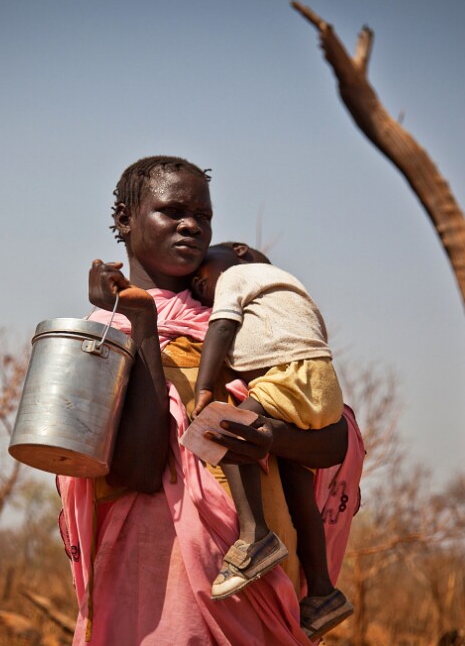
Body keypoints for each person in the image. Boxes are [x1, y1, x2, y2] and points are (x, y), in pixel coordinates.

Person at [57, 155, 364, 645]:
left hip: (261, 580)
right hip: (159, 589)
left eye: (203, 216)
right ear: (124, 220)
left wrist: (269, 436)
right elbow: (137, 470)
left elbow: (330, 441)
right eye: (172, 211)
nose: (191, 226)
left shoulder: (247, 320)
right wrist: (142, 324)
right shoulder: (102, 339)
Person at [190, 242, 354, 637]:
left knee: (225, 427)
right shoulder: (288, 290)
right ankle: (322, 591)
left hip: (289, 377)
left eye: (202, 280)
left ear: (240, 252)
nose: (200, 286)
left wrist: (202, 390)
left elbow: (222, 326)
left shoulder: (237, 275)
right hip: (322, 386)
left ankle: (255, 536)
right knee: (299, 489)